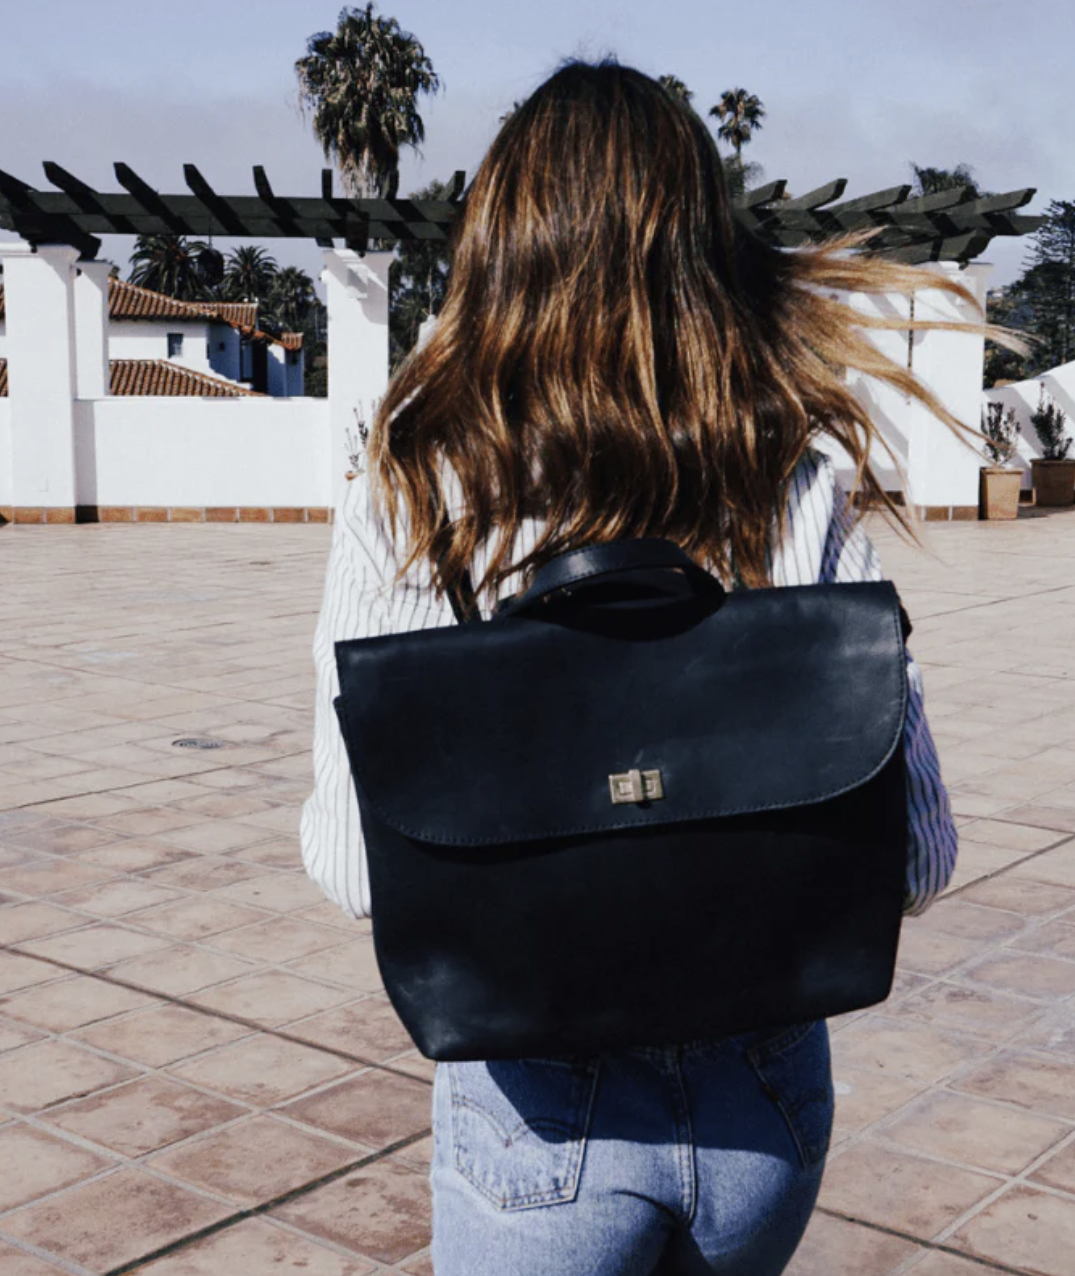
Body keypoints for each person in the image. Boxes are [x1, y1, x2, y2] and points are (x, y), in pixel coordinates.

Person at [302, 58, 969, 1276]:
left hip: (535, 1114)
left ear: (498, 247)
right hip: (761, 1106)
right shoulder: (796, 475)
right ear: (702, 251)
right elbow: (918, 856)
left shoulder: (414, 487)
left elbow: (357, 868)